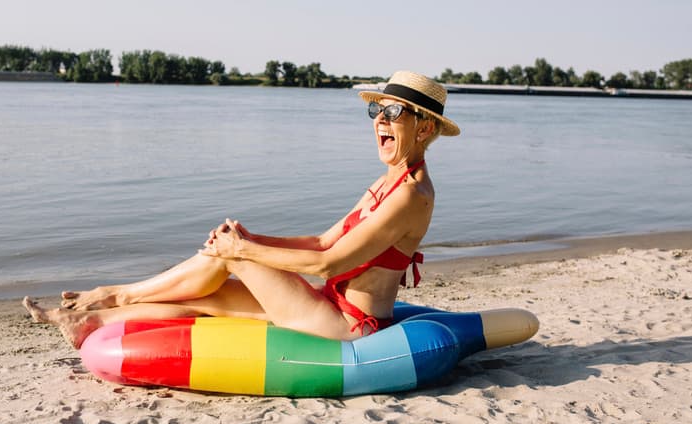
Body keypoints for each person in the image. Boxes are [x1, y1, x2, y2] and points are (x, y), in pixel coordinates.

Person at [23, 71, 461, 348]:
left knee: (226, 256)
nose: (380, 120)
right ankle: (91, 318)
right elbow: (324, 239)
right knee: (208, 293)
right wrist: (253, 239)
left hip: (348, 324)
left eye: (393, 111)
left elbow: (328, 263)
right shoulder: (387, 183)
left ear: (423, 127)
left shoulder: (411, 195)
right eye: (375, 110)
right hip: (325, 306)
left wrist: (243, 252)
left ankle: (118, 292)